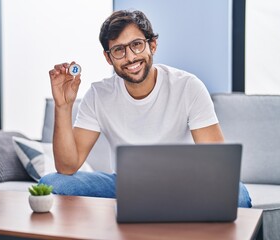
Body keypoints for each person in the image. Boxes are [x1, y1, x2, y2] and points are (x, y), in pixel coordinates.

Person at [41, 10, 252, 208]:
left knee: (237, 194)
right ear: (108, 57)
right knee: (53, 184)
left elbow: (218, 165)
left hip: (185, 187)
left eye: (137, 44)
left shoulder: (188, 86)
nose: (131, 57)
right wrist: (63, 106)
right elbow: (67, 167)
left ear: (153, 45)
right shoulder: (98, 95)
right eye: (119, 50)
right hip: (125, 186)